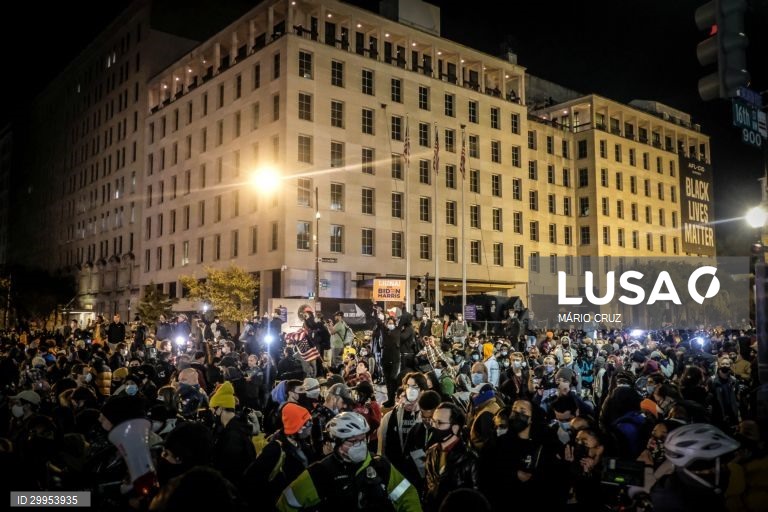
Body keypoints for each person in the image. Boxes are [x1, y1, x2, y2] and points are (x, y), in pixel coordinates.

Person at [276, 411, 422, 511]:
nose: (361, 445)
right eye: (353, 441)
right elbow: (287, 504)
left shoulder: (380, 465)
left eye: (363, 439)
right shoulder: (320, 473)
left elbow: (406, 495)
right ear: (336, 443)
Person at [650, 423, 740, 512]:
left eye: (723, 466)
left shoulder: (687, 491)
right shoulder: (676, 504)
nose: (724, 470)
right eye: (720, 467)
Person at [244, 403, 315, 507]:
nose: (311, 425)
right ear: (296, 426)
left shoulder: (302, 443)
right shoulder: (275, 449)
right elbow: (251, 479)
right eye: (307, 423)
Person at [423, 402, 479, 512]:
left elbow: (475, 498)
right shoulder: (431, 451)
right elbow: (427, 485)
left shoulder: (470, 459)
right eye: (433, 421)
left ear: (455, 428)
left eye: (439, 423)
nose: (434, 427)